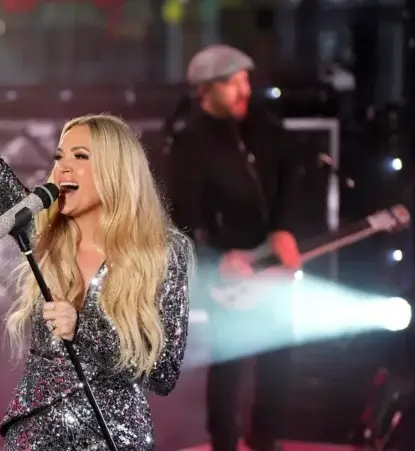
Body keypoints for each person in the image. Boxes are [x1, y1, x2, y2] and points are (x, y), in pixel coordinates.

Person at [0, 0, 194, 449]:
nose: (62, 168)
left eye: (79, 157)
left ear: (115, 171)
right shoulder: (43, 232)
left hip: (117, 437)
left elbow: (165, 372)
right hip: (36, 432)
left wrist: (85, 328)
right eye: (58, 157)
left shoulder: (163, 251)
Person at [168, 45, 302, 451]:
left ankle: (266, 438)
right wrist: (217, 258)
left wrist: (285, 229)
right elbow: (183, 218)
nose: (243, 90)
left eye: (245, 80)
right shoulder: (189, 143)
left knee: (279, 352)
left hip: (272, 261)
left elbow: (292, 183)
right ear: (206, 91)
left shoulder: (267, 131)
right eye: (232, 82)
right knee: (230, 360)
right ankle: (224, 441)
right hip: (229, 269)